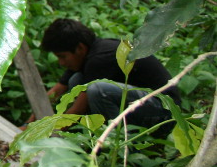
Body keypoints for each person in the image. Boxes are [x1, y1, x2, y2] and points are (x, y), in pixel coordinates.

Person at [39, 18, 179, 128]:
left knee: (97, 90)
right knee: (76, 80)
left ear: (80, 48)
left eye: (62, 56)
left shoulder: (99, 58)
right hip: (140, 103)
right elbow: (56, 92)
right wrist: (28, 126)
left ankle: (119, 145)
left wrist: (47, 132)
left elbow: (78, 109)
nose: (61, 63)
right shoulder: (85, 55)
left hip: (164, 112)